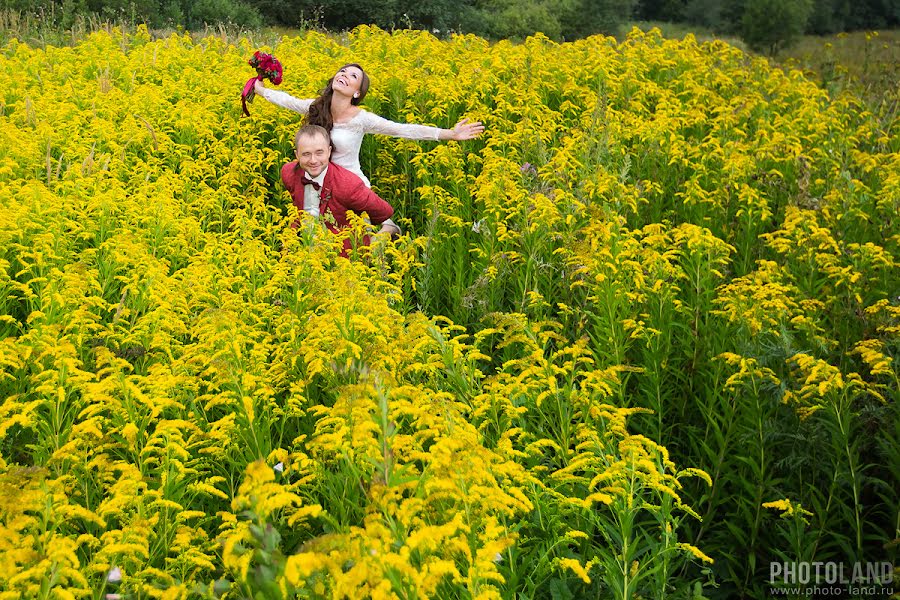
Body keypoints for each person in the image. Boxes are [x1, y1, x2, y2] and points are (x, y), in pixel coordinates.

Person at [254, 63, 484, 234]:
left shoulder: (361, 119)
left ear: (357, 92)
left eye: (353, 76)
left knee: (356, 242)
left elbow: (402, 129)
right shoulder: (316, 107)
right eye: (342, 71)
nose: (344, 75)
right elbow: (287, 100)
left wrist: (449, 134)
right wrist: (260, 90)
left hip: (350, 186)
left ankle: (387, 231)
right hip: (319, 179)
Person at [284, 124, 394, 257]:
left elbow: (384, 210)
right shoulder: (288, 173)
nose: (313, 160)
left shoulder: (349, 186)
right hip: (308, 250)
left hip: (344, 256)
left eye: (319, 152)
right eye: (306, 154)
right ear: (297, 155)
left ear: (329, 151)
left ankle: (389, 229)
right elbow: (296, 205)